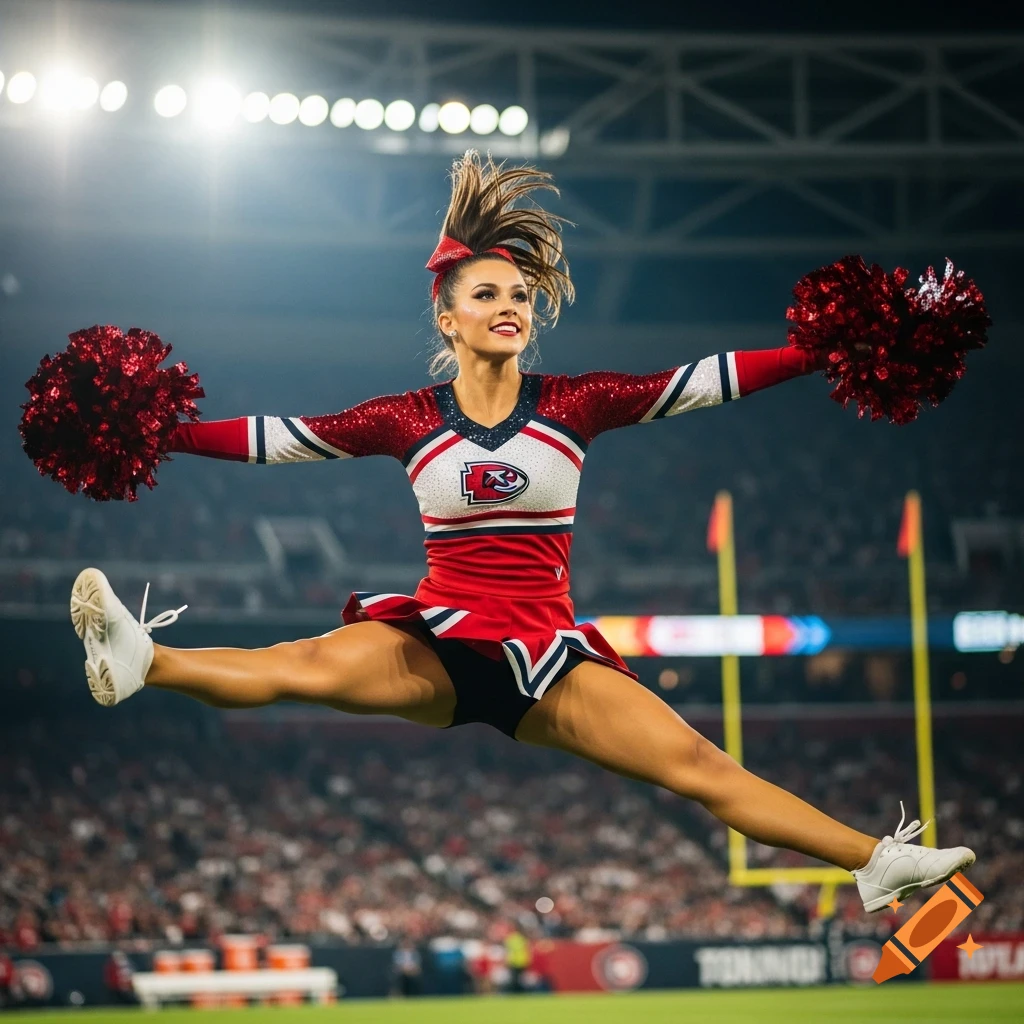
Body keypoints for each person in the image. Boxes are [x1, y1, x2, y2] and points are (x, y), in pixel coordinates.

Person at [68, 150, 974, 915]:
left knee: (697, 764)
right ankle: (147, 660)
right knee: (301, 665)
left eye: (522, 293)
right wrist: (159, 431)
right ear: (446, 313)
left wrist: (830, 348)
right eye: (489, 292)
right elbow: (279, 442)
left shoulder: (576, 404)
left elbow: (708, 378)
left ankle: (872, 861)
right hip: (441, 639)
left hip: (547, 661)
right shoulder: (404, 417)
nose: (512, 305)